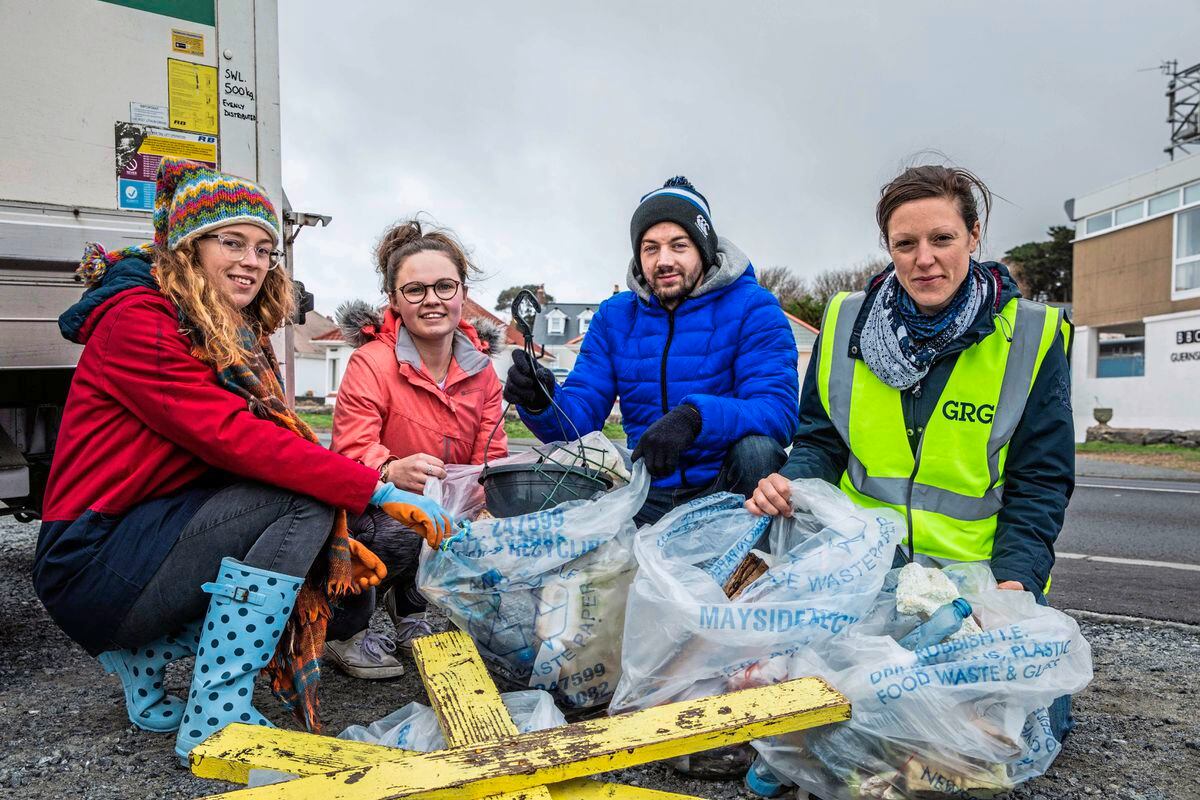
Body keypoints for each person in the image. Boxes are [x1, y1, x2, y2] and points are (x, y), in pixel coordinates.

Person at [31, 158, 454, 762]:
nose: (253, 261)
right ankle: (216, 713)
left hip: (133, 539)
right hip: (91, 561)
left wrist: (351, 506)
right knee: (300, 504)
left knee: (293, 524)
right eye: (232, 242)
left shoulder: (216, 328)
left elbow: (256, 447)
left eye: (265, 248)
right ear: (187, 248)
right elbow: (238, 439)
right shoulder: (140, 325)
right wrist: (375, 491)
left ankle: (145, 660)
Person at [747, 164, 1075, 740]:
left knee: (1012, 730)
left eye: (942, 239)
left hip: (977, 581)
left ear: (974, 237)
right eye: (906, 243)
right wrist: (790, 482)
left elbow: (1040, 479)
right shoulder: (846, 322)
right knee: (828, 718)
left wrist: (1017, 578)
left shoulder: (1031, 335)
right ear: (889, 249)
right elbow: (821, 442)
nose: (924, 258)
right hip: (865, 573)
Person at [503, 176, 799, 525]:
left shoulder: (754, 307)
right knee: (569, 472)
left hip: (726, 487)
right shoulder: (614, 316)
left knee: (759, 452)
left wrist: (696, 418)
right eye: (650, 248)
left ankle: (752, 560)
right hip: (644, 488)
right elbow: (580, 421)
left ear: (703, 249)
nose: (664, 260)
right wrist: (542, 400)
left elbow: (776, 411)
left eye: (679, 245)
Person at [323, 219, 508, 678]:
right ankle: (345, 629)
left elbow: (492, 454)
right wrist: (389, 470)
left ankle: (410, 614)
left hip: (443, 505)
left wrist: (489, 504)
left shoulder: (481, 370)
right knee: (394, 528)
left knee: (467, 522)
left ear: (462, 293)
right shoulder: (372, 362)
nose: (432, 300)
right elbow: (351, 449)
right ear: (394, 300)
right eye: (415, 290)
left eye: (445, 286)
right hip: (371, 508)